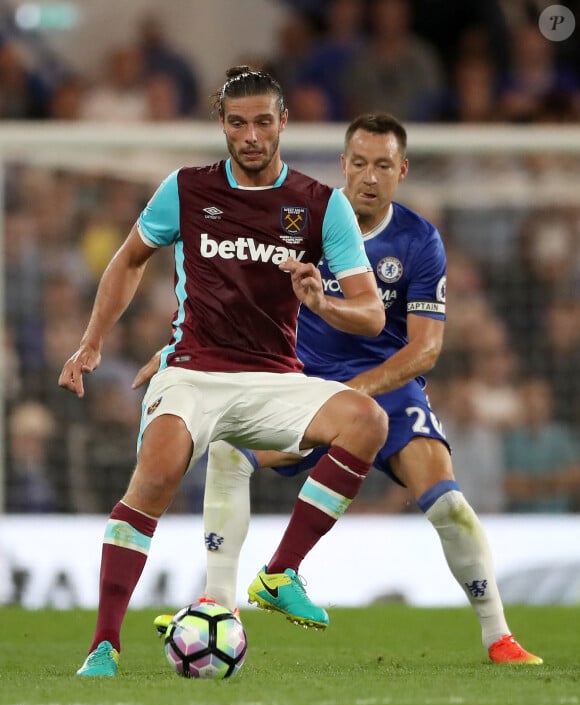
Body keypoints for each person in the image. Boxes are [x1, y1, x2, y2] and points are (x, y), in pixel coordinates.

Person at [148, 113, 542, 665]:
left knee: (449, 505)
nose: (369, 177)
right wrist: (173, 351)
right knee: (228, 452)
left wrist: (354, 395)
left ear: (401, 171)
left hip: (387, 387)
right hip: (298, 381)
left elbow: (425, 350)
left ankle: (498, 636)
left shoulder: (419, 240)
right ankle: (222, 604)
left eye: (383, 165)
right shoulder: (299, 220)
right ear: (343, 165)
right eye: (358, 163)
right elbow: (231, 298)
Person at [58, 66, 389, 677]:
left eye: (264, 122)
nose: (252, 135)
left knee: (366, 419)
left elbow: (371, 315)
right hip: (193, 373)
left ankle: (281, 571)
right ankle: (103, 644)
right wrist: (91, 343)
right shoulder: (186, 189)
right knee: (155, 474)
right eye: (239, 124)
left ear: (283, 122)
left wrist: (322, 303)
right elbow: (129, 259)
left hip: (274, 379)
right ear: (223, 126)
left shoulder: (322, 206)